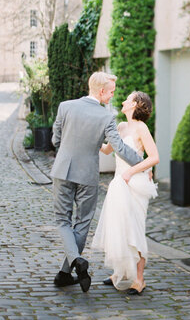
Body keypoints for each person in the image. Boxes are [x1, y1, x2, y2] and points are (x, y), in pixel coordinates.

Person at [50, 72, 144, 293]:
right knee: (82, 224)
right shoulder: (106, 117)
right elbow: (120, 149)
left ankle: (69, 269)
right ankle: (70, 268)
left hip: (62, 170)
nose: (113, 96)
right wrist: (143, 163)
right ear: (101, 91)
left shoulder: (65, 106)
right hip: (87, 176)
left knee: (63, 221)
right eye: (111, 92)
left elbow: (55, 139)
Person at [92, 90, 159, 295]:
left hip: (135, 183)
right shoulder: (120, 127)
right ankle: (119, 273)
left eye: (127, 99)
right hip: (118, 182)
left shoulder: (141, 128)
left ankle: (139, 279)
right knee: (119, 227)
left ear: (136, 104)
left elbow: (154, 157)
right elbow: (106, 149)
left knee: (134, 228)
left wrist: (132, 170)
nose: (123, 101)